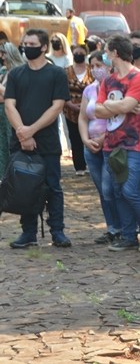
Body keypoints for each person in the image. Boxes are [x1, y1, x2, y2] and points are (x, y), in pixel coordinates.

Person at [4, 29, 71, 248]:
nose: (26, 47)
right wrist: (21, 131)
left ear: (43, 47)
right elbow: (10, 104)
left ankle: (58, 231)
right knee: (25, 187)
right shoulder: (16, 74)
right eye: (24, 43)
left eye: (31, 43)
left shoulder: (57, 74)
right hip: (20, 142)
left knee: (53, 186)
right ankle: (28, 232)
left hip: (47, 142)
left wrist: (31, 130)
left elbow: (57, 106)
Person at [95, 34, 140, 252]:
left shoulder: (138, 77)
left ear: (114, 53)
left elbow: (124, 106)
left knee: (131, 190)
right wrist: (120, 105)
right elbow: (96, 109)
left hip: (134, 141)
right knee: (117, 190)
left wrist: (115, 106)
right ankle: (129, 235)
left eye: (106, 51)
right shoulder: (107, 81)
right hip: (111, 142)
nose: (105, 54)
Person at [78, 50, 120, 245]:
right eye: (92, 66)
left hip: (110, 144)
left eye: (99, 66)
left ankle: (123, 226)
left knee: (109, 187)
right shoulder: (89, 90)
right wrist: (85, 140)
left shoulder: (116, 88)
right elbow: (82, 117)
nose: (95, 70)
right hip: (91, 145)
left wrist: (104, 138)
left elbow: (120, 118)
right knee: (102, 191)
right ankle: (112, 228)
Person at [64, 44, 93, 176]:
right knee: (74, 137)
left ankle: (90, 163)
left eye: (81, 53)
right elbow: (62, 90)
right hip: (71, 110)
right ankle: (79, 166)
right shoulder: (66, 71)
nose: (78, 55)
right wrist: (70, 104)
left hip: (89, 110)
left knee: (89, 136)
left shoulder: (91, 70)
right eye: (76, 53)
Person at [0, 43, 25, 175]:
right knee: (2, 146)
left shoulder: (18, 72)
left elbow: (10, 94)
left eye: (3, 53)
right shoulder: (4, 72)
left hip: (12, 114)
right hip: (2, 115)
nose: (2, 57)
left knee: (12, 144)